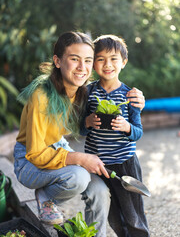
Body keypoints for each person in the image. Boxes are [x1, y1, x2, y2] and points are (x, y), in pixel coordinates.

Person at [13, 31, 145, 236]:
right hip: (30, 160)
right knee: (79, 176)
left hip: (58, 148)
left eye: (87, 60)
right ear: (57, 61)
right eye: (74, 59)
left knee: (100, 192)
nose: (82, 67)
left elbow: (106, 103)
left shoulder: (83, 91)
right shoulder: (42, 95)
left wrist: (138, 100)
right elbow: (36, 153)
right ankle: (46, 196)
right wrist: (81, 158)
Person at [81, 34, 150, 237]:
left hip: (125, 163)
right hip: (98, 164)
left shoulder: (130, 95)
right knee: (113, 215)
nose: (107, 64)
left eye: (113, 59)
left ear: (124, 62)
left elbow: (138, 132)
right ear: (93, 64)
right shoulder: (88, 93)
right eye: (100, 59)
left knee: (132, 211)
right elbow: (80, 129)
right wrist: (87, 122)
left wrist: (127, 127)